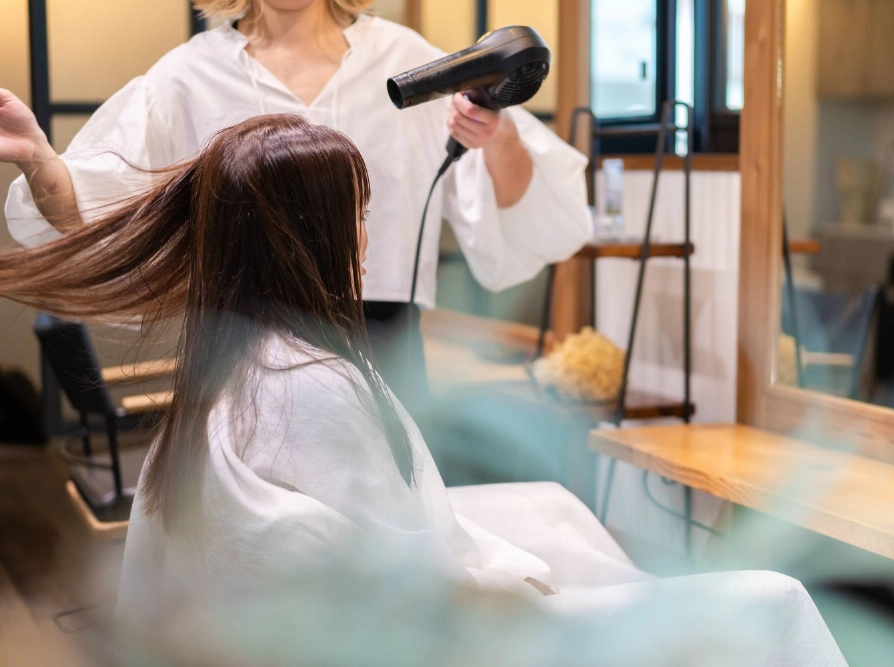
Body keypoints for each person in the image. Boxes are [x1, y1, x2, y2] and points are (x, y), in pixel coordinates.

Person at [0, 115, 846, 666]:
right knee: (774, 598)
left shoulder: (247, 361)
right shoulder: (310, 385)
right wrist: (518, 586)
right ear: (311, 236)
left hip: (319, 605)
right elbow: (413, 590)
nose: (368, 237)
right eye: (359, 216)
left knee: (552, 508)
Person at [0, 0, 591, 411]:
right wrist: (39, 161)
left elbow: (535, 214)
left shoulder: (408, 60)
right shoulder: (187, 76)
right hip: (235, 346)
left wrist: (498, 137)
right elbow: (100, 214)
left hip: (380, 347)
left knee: (384, 532)